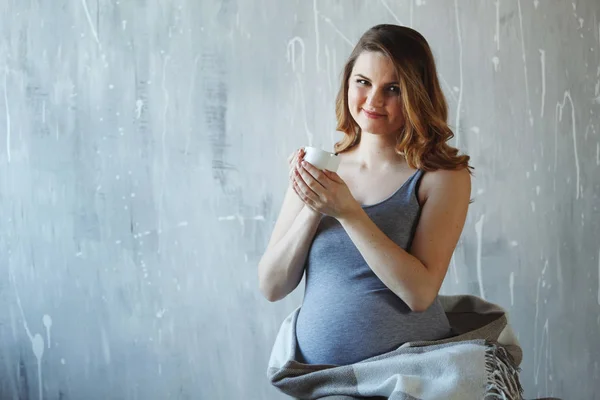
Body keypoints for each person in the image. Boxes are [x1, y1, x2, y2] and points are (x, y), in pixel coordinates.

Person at [258, 24, 472, 366]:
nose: (373, 100)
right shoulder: (319, 168)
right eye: (363, 82)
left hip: (413, 372)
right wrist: (316, 204)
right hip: (322, 379)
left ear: (417, 95)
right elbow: (272, 286)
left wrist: (349, 213)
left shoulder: (442, 176)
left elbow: (419, 294)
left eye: (393, 88)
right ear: (348, 82)